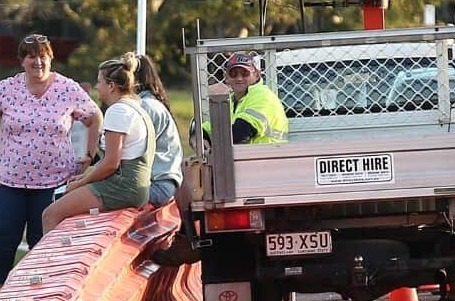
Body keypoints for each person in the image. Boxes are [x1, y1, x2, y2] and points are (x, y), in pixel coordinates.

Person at [0, 33, 102, 301]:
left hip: (53, 182)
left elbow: (94, 117)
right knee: (3, 239)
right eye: (31, 55)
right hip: (9, 181)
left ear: (51, 58)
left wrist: (89, 154)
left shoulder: (67, 88)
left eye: (42, 55)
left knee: (44, 242)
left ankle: (39, 299)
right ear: (22, 61)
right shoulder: (7, 89)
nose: (37, 61)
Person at [152, 52, 288, 266]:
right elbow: (204, 128)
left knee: (184, 178)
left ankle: (189, 241)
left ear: (256, 74)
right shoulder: (236, 100)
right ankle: (188, 238)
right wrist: (200, 136)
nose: (239, 78)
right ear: (226, 77)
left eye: (244, 73)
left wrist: (208, 140)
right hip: (246, 169)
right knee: (185, 171)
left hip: (259, 170)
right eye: (234, 74)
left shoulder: (261, 96)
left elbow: (240, 133)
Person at [42, 53, 156, 233]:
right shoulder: (135, 107)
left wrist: (79, 184)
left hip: (123, 188)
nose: (97, 87)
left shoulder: (118, 111)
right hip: (135, 187)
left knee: (51, 214)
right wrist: (86, 176)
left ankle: (53, 260)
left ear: (111, 86)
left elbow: (112, 163)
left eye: (100, 82)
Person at [136, 54, 184, 208]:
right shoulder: (150, 103)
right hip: (163, 184)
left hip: (156, 186)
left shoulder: (145, 107)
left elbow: (131, 153)